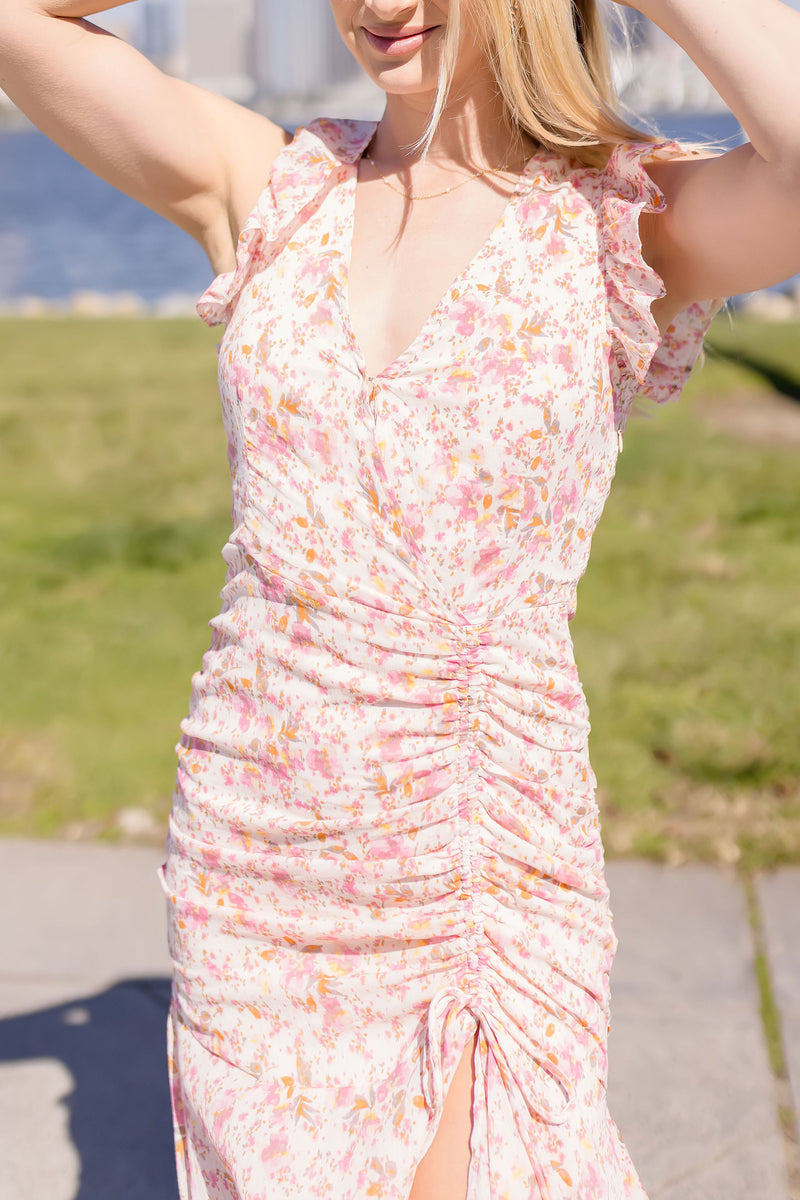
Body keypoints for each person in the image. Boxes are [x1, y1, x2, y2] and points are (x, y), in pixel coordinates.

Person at [3, 1, 799, 1197]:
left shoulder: (618, 216)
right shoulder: (277, 187)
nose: (379, 6)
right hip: (249, 852)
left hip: (466, 858)